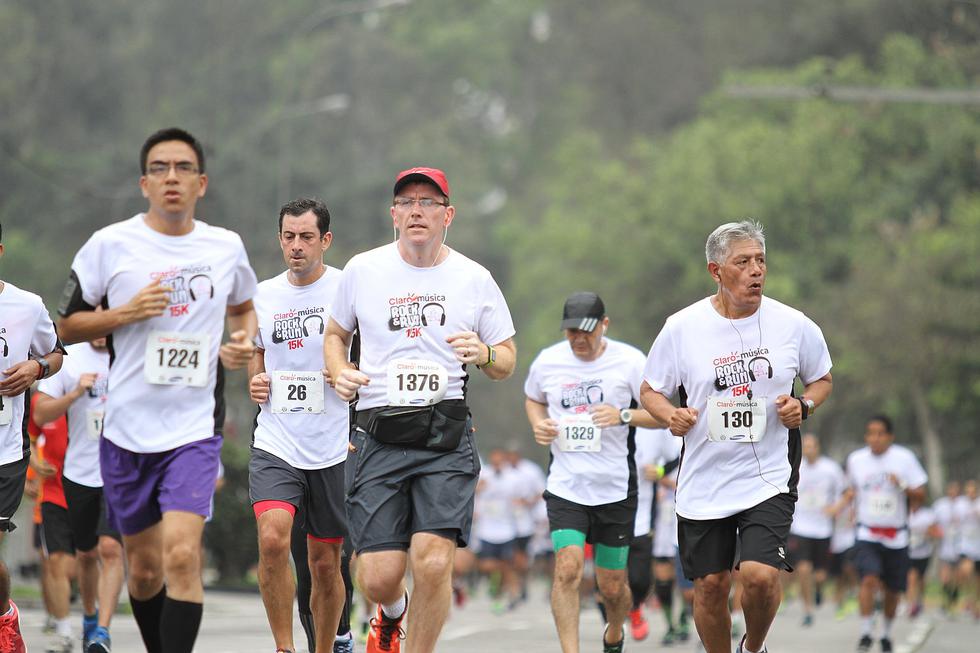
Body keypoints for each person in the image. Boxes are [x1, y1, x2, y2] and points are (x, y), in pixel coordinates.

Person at [57, 127, 258, 653]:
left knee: (182, 557)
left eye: (184, 168)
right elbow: (66, 326)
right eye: (161, 168)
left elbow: (242, 307)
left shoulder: (224, 247)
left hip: (193, 428)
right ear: (144, 183)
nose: (173, 177)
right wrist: (125, 313)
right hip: (125, 431)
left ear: (202, 183)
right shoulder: (109, 245)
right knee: (144, 572)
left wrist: (240, 343)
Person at [324, 167, 516, 653]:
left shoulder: (474, 278)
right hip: (378, 434)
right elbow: (334, 335)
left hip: (444, 437)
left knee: (432, 563)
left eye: (429, 202)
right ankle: (391, 614)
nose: (417, 210)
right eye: (407, 201)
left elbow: (507, 361)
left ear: (447, 215)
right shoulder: (362, 270)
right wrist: (338, 369)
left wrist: (485, 354)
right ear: (393, 214)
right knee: (379, 576)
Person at [640, 220, 833, 653]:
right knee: (709, 586)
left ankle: (753, 647)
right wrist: (671, 415)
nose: (755, 271)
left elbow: (821, 378)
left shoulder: (794, 324)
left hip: (769, 474)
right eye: (742, 262)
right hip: (704, 476)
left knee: (761, 577)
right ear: (716, 270)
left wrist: (805, 406)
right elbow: (650, 390)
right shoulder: (682, 327)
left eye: (760, 261)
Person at [524, 291, 661, 653]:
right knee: (567, 569)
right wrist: (539, 424)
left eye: (587, 331)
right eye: (571, 332)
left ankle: (614, 633)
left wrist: (623, 415)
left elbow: (663, 414)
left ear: (604, 325)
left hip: (615, 488)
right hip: (567, 485)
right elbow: (533, 398)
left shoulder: (630, 361)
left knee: (613, 585)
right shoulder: (548, 361)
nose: (579, 340)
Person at [247, 197, 351, 653]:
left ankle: (326, 646)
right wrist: (255, 379)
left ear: (325, 240)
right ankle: (285, 647)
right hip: (277, 438)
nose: (296, 245)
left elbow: (375, 353)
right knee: (273, 539)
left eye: (306, 237)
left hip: (333, 442)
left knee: (325, 562)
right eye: (289, 236)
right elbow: (256, 351)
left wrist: (346, 373)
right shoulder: (263, 295)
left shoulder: (349, 287)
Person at [34, 330, 125, 652]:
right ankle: (89, 617)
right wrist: (74, 394)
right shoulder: (70, 358)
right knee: (86, 554)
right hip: (79, 474)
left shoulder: (131, 350)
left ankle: (103, 630)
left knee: (111, 550)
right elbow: (40, 414)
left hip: (121, 474)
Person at [0, 220, 66, 652]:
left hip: (4, 450)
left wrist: (36, 368)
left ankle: (4, 616)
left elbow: (57, 353)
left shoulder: (26, 305)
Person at [843, 415, 927, 653]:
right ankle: (866, 632)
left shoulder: (905, 459)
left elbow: (921, 496)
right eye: (870, 433)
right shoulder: (856, 460)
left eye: (880, 433)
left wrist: (902, 485)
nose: (875, 438)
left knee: (892, 589)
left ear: (890, 436)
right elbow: (852, 490)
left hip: (896, 535)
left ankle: (887, 634)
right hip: (866, 532)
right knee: (868, 579)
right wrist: (847, 506)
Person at [787, 433, 846, 626]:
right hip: (801, 526)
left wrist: (836, 508)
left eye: (813, 446)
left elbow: (846, 492)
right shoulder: (795, 466)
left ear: (818, 447)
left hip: (823, 529)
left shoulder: (831, 469)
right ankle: (808, 609)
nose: (809, 450)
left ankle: (819, 588)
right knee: (803, 569)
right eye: (806, 446)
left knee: (820, 575)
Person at [905, 493, 940, 618]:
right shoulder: (904, 513)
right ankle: (911, 605)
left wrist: (927, 533)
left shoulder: (928, 514)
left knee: (921, 580)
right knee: (911, 578)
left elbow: (937, 532)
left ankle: (919, 600)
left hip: (924, 552)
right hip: (909, 552)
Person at [933, 480, 963, 614]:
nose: (953, 493)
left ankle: (954, 597)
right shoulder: (940, 505)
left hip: (962, 546)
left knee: (957, 576)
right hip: (945, 545)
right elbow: (932, 522)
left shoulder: (964, 504)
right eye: (951, 490)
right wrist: (936, 532)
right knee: (945, 576)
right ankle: (946, 601)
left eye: (955, 490)